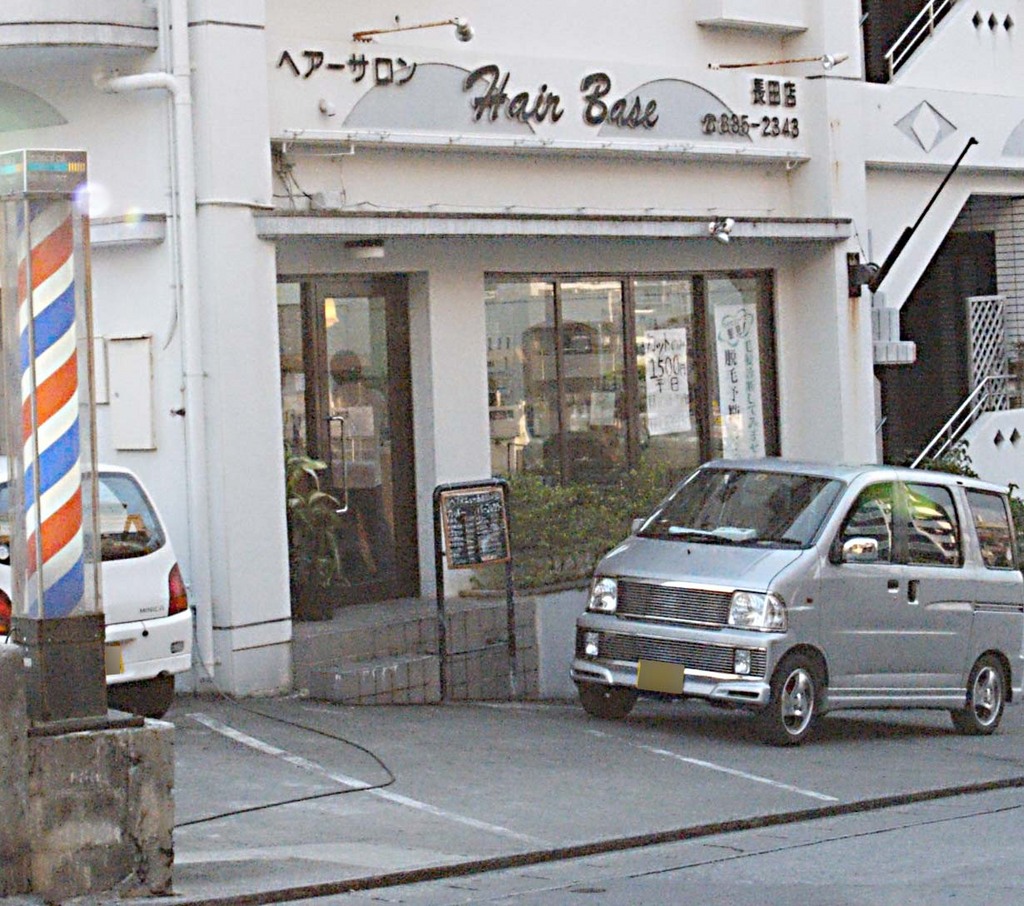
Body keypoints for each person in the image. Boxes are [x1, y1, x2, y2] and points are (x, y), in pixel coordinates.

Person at [328, 350, 395, 582]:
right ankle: (386, 571)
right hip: (368, 472)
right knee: (375, 524)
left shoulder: (330, 399)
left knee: (347, 527)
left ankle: (356, 574)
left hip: (341, 472)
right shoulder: (375, 398)